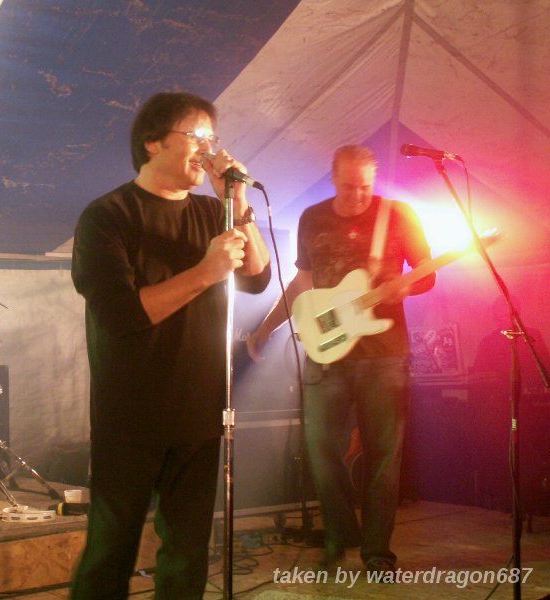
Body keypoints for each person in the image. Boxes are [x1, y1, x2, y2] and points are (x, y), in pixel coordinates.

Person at [70, 91, 271, 598]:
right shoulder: (108, 216)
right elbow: (121, 315)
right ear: (153, 142)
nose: (206, 149)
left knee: (187, 549)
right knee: (110, 547)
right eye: (195, 136)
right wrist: (204, 273)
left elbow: (257, 277)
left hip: (199, 407)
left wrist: (238, 202)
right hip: (131, 411)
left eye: (212, 138)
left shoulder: (213, 212)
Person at [246, 145, 436, 575]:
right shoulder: (313, 217)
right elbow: (304, 283)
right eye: (349, 187)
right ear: (333, 179)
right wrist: (267, 327)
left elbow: (428, 271)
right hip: (326, 350)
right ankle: (340, 534)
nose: (357, 196)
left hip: (383, 355)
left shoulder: (399, 214)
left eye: (365, 187)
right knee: (320, 450)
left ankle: (377, 553)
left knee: (383, 457)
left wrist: (404, 287)